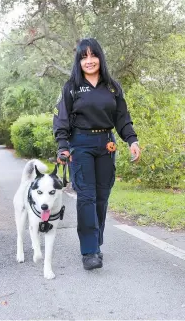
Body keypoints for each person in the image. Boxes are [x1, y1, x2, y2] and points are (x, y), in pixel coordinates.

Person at [53, 38, 141, 271]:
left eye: (93, 56)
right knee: (87, 197)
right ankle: (89, 251)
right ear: (79, 61)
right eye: (84, 57)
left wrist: (132, 140)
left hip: (106, 144)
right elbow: (61, 118)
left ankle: (96, 243)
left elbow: (122, 118)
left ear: (100, 57)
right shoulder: (71, 86)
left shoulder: (112, 86)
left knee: (102, 197)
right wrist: (63, 145)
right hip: (80, 143)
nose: (89, 61)